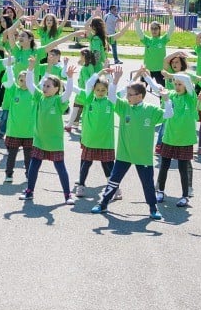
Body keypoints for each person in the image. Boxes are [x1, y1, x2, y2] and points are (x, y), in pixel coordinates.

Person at [91, 69, 173, 218]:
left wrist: (167, 99)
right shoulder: (124, 107)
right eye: (127, 94)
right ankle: (103, 204)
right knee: (113, 180)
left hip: (143, 155)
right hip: (124, 153)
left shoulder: (151, 110)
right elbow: (111, 96)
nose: (127, 97)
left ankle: (153, 208)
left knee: (147, 183)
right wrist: (115, 80)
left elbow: (168, 114)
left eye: (130, 95)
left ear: (139, 96)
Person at [18, 56, 76, 204]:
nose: (44, 88)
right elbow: (30, 84)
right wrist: (30, 68)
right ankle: (29, 191)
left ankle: (67, 194)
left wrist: (69, 78)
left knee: (60, 168)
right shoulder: (39, 97)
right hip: (39, 140)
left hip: (54, 141)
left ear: (57, 89)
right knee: (34, 166)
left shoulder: (58, 101)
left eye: (48, 86)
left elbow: (68, 93)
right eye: (44, 85)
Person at [73, 67, 119, 198]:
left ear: (107, 91)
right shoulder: (89, 100)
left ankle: (113, 188)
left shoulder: (111, 102)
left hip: (105, 141)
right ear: (93, 90)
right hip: (90, 140)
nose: (100, 92)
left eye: (103, 90)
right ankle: (81, 186)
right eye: (98, 90)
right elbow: (88, 83)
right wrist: (100, 73)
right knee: (86, 163)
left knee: (108, 166)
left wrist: (113, 79)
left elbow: (119, 91)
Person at [153, 71, 197, 207]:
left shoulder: (191, 97)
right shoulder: (170, 95)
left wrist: (173, 75)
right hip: (169, 138)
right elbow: (156, 88)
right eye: (176, 84)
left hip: (185, 140)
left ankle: (184, 196)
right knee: (164, 166)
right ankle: (160, 191)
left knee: (182, 168)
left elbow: (187, 80)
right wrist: (145, 75)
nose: (177, 86)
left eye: (180, 84)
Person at [1, 58, 35, 184]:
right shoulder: (13, 90)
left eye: (27, 80)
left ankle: (28, 175)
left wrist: (31, 68)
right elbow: (10, 80)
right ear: (18, 81)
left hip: (28, 132)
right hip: (14, 131)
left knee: (28, 157)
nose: (24, 82)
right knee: (11, 156)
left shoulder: (33, 92)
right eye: (21, 80)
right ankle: (8, 174)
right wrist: (9, 66)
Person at [136, 7, 175, 86]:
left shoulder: (163, 40)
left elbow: (171, 29)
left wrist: (171, 15)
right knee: (140, 90)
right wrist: (138, 18)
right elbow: (138, 31)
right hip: (147, 70)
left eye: (156, 28)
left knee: (162, 92)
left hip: (160, 70)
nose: (154, 30)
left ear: (159, 29)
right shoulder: (147, 40)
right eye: (152, 28)